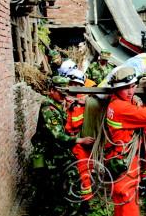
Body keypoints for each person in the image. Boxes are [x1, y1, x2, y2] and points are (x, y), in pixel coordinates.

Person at [30, 76, 93, 215]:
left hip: (55, 151)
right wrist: (79, 140)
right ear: (51, 90)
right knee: (53, 185)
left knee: (53, 186)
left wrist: (67, 107)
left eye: (65, 94)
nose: (64, 97)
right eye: (61, 93)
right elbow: (58, 135)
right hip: (48, 154)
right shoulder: (48, 108)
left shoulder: (57, 104)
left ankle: (69, 208)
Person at [105, 66, 146, 216]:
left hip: (119, 159)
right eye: (126, 88)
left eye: (133, 86)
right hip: (125, 163)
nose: (131, 92)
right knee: (127, 202)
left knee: (122, 202)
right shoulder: (121, 108)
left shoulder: (115, 102)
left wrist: (135, 101)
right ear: (117, 89)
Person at [64, 69, 96, 202]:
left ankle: (85, 201)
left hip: (80, 141)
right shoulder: (71, 101)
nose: (75, 87)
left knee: (84, 170)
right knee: (83, 171)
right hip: (76, 141)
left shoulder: (82, 102)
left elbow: (74, 124)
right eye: (72, 83)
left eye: (77, 84)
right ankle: (84, 198)